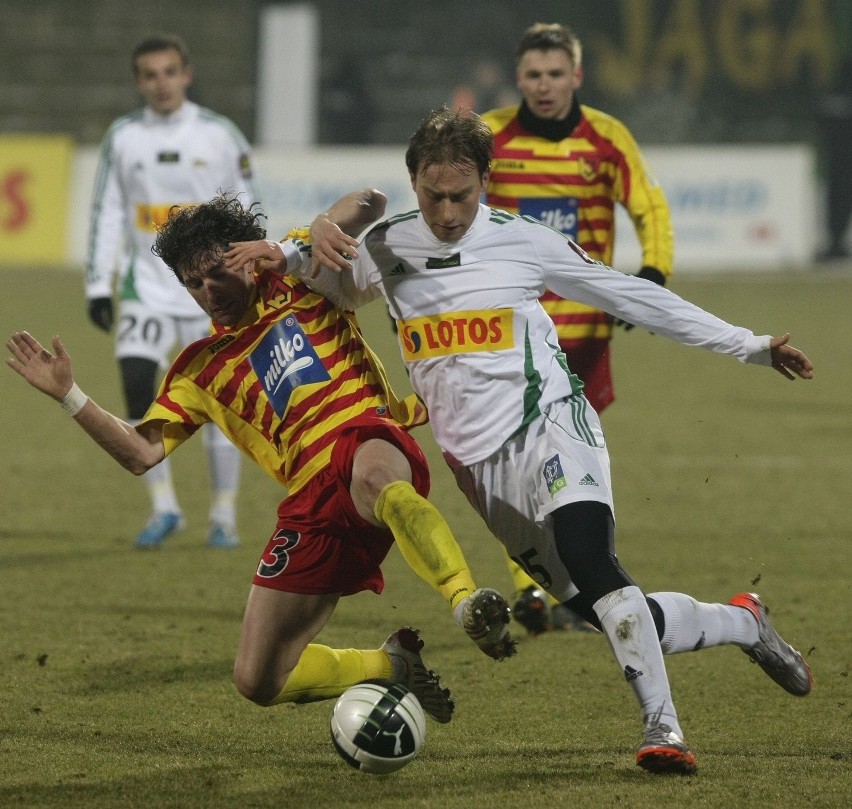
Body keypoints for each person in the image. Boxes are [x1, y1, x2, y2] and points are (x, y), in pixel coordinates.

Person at [230, 107, 814, 774]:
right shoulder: (387, 250)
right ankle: (744, 621)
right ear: (415, 181)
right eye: (434, 195)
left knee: (594, 561)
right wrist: (292, 243)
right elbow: (316, 277)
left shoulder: (523, 241)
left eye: (462, 195)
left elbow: (631, 298)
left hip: (554, 424)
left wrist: (751, 346)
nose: (448, 211)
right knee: (606, 610)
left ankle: (664, 728)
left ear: (485, 180)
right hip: (481, 471)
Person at [6, 190, 517, 727]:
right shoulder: (200, 369)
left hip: (366, 435)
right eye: (192, 284)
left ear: (243, 256)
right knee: (259, 679)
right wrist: (70, 396)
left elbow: (372, 203)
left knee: (375, 477)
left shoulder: (295, 272)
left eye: (216, 273)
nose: (208, 292)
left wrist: (306, 231)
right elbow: (141, 452)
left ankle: (466, 603)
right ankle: (391, 665)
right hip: (312, 500)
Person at [479, 23, 676, 627]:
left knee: (561, 461)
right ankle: (540, 584)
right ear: (520, 78)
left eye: (555, 74)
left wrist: (652, 272)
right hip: (513, 325)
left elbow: (647, 203)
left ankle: (557, 577)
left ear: (576, 77)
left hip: (584, 330)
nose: (544, 86)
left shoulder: (606, 138)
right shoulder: (487, 135)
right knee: (519, 454)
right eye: (534, 75)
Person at [85, 34, 258, 549]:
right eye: (150, 75)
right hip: (147, 290)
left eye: (169, 72)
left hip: (210, 292)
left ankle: (223, 514)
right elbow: (109, 211)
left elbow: (249, 208)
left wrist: (249, 275)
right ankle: (165, 507)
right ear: (138, 81)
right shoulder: (123, 138)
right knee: (138, 383)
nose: (161, 83)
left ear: (187, 74)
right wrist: (99, 283)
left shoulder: (220, 135)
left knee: (218, 400)